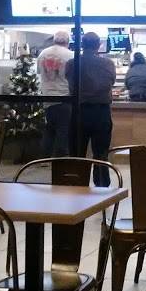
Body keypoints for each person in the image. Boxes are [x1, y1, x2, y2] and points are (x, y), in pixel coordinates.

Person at [66, 32, 117, 187]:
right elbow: (111, 82)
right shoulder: (108, 64)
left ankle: (77, 185)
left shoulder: (71, 63)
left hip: (79, 111)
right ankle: (102, 188)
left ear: (81, 45)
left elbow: (70, 82)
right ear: (98, 45)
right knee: (101, 154)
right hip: (101, 112)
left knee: (77, 154)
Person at [37, 31, 74, 156]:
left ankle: (44, 158)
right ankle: (60, 159)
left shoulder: (43, 54)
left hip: (47, 97)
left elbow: (39, 73)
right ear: (67, 42)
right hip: (64, 97)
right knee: (63, 131)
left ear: (54, 40)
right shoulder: (70, 55)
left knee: (49, 130)